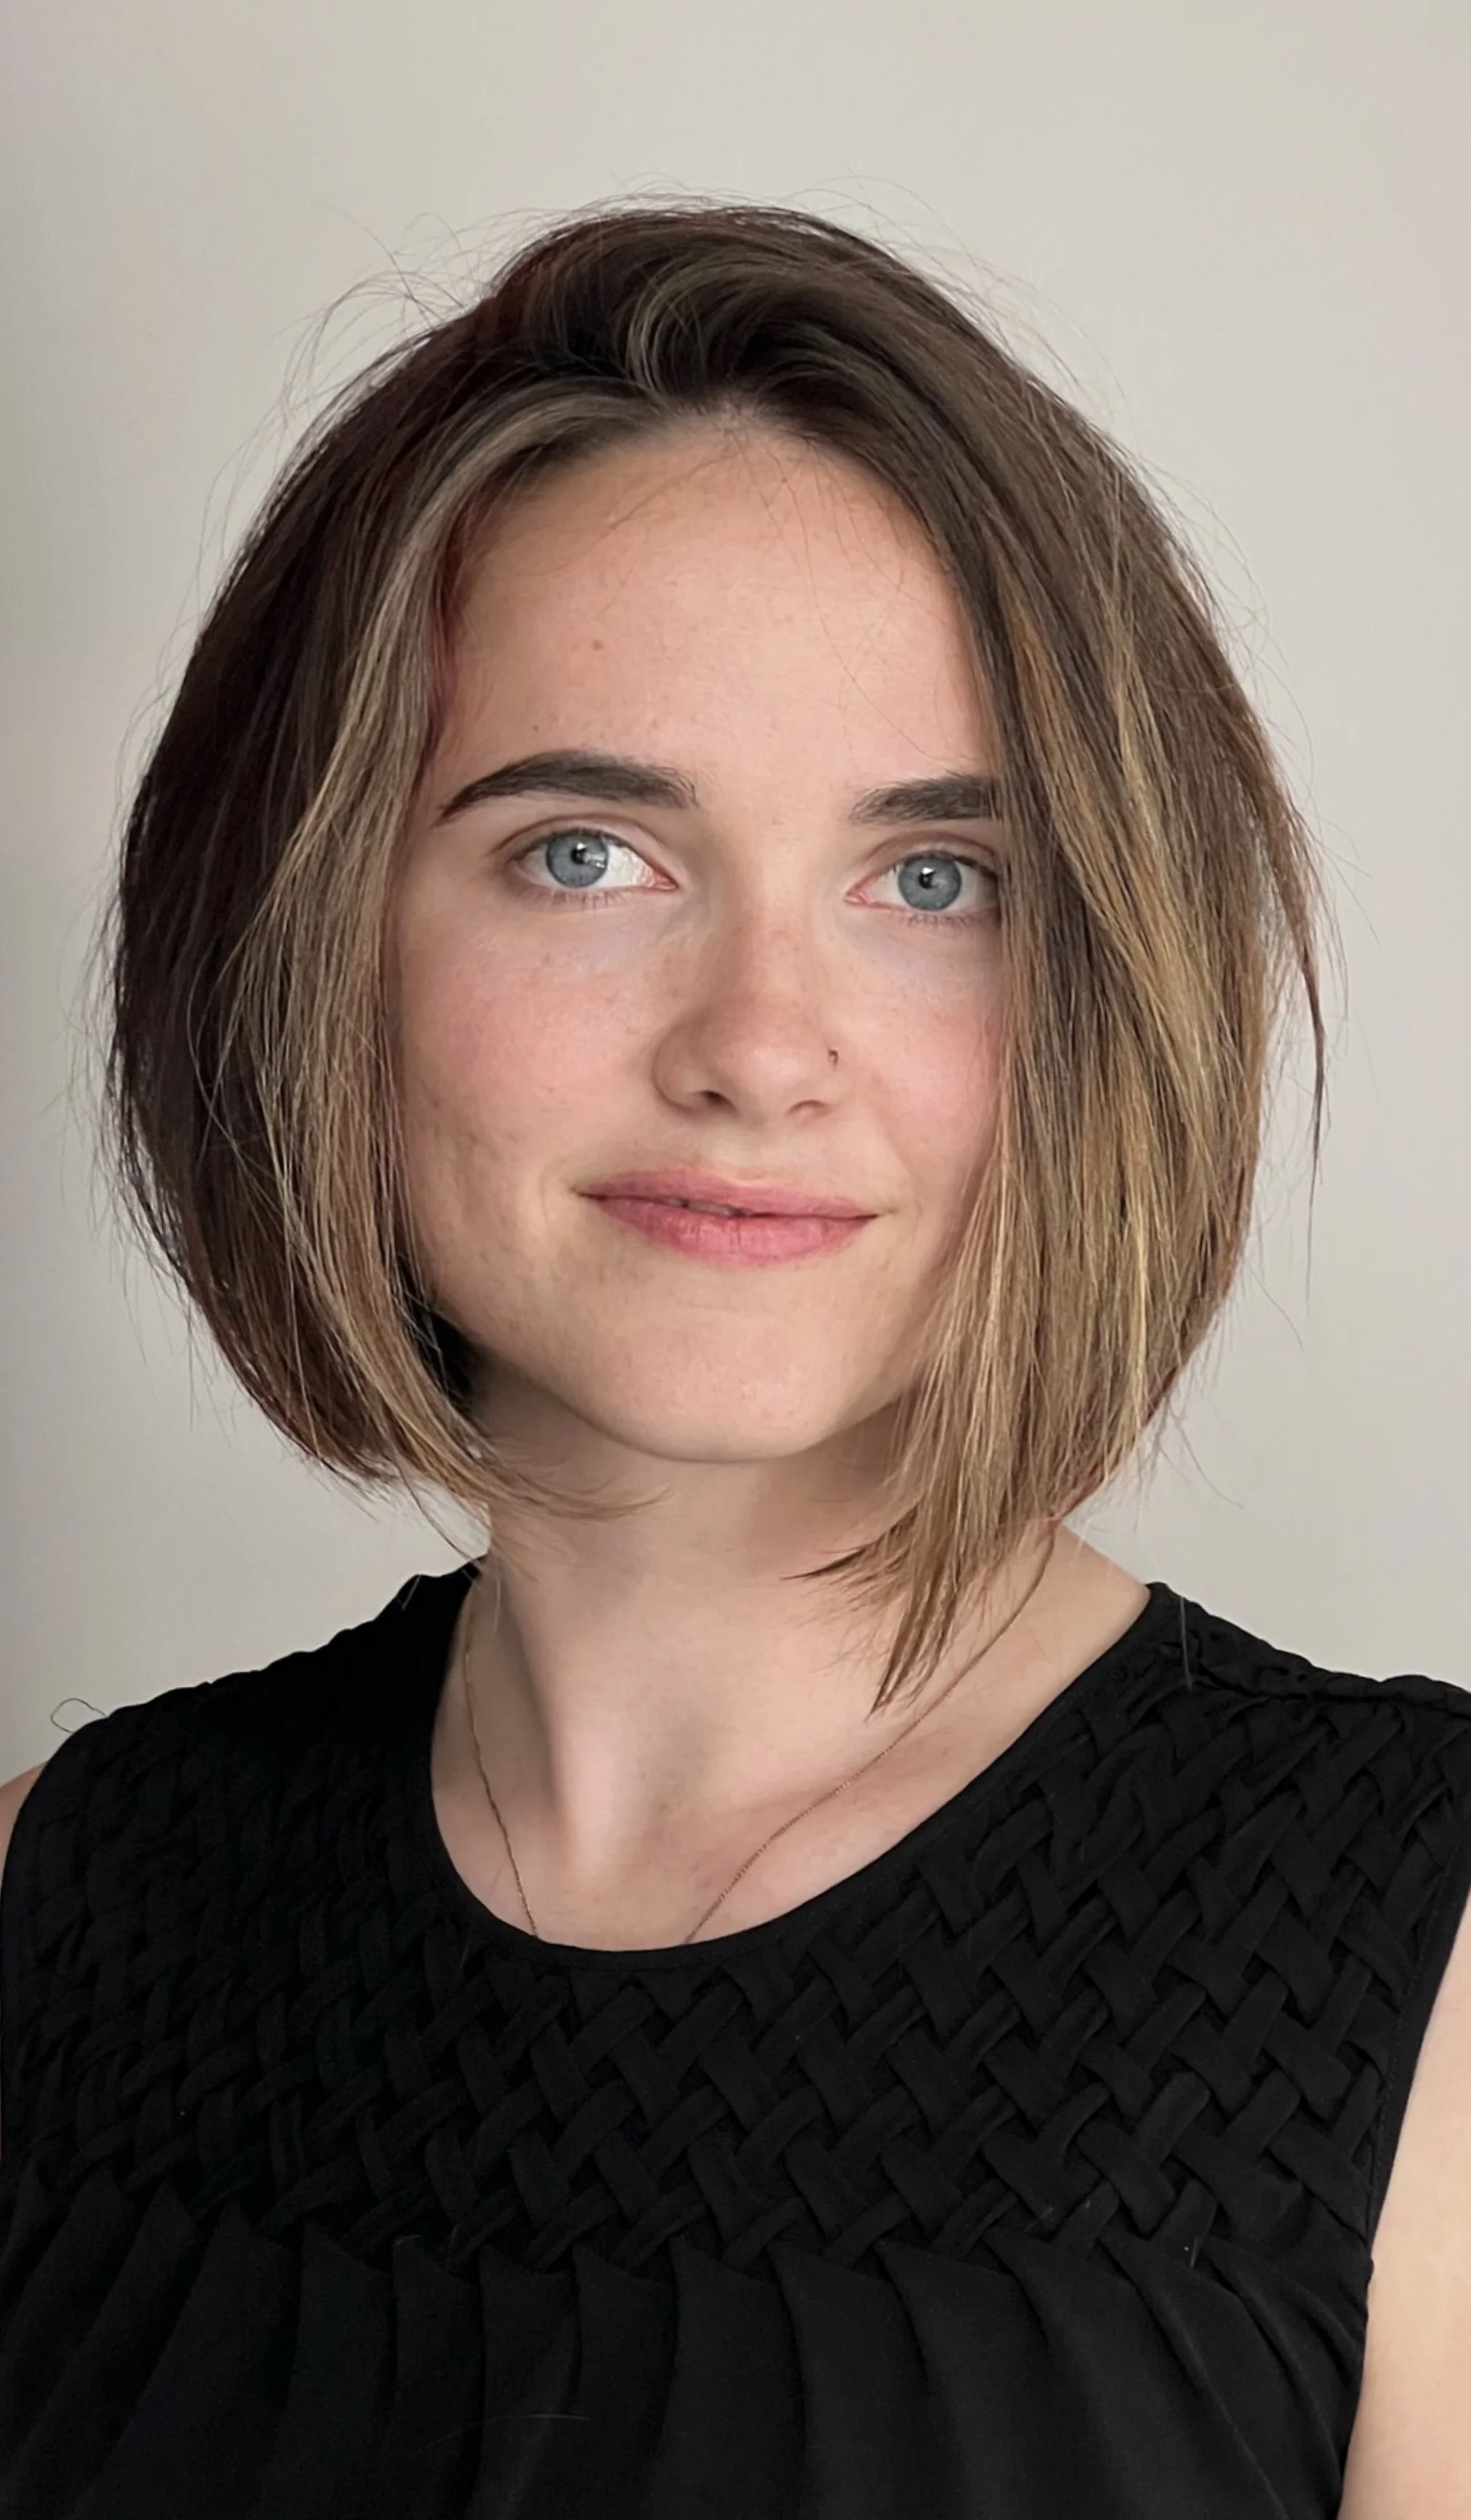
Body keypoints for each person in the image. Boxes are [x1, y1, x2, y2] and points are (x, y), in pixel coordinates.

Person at [0, 197, 1464, 2519]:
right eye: (586, 855)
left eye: (937, 882)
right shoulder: (55, 1906)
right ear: (304, 938)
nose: (763, 1051)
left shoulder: (1429, 1966)